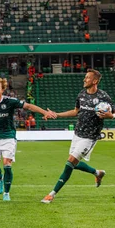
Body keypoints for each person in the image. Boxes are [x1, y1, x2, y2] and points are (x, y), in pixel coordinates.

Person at [0, 78, 55, 201]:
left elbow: (28, 106)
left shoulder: (10, 101)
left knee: (7, 165)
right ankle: (1, 179)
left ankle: (6, 193)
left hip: (8, 137)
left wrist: (44, 112)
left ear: (2, 90)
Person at [41, 69, 112, 203]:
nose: (84, 79)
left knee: (70, 163)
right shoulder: (81, 94)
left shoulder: (103, 97)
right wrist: (57, 114)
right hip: (77, 134)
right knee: (74, 163)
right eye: (85, 77)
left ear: (95, 81)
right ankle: (98, 173)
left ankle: (52, 194)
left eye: (87, 78)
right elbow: (75, 111)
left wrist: (111, 115)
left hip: (90, 137)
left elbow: (113, 113)